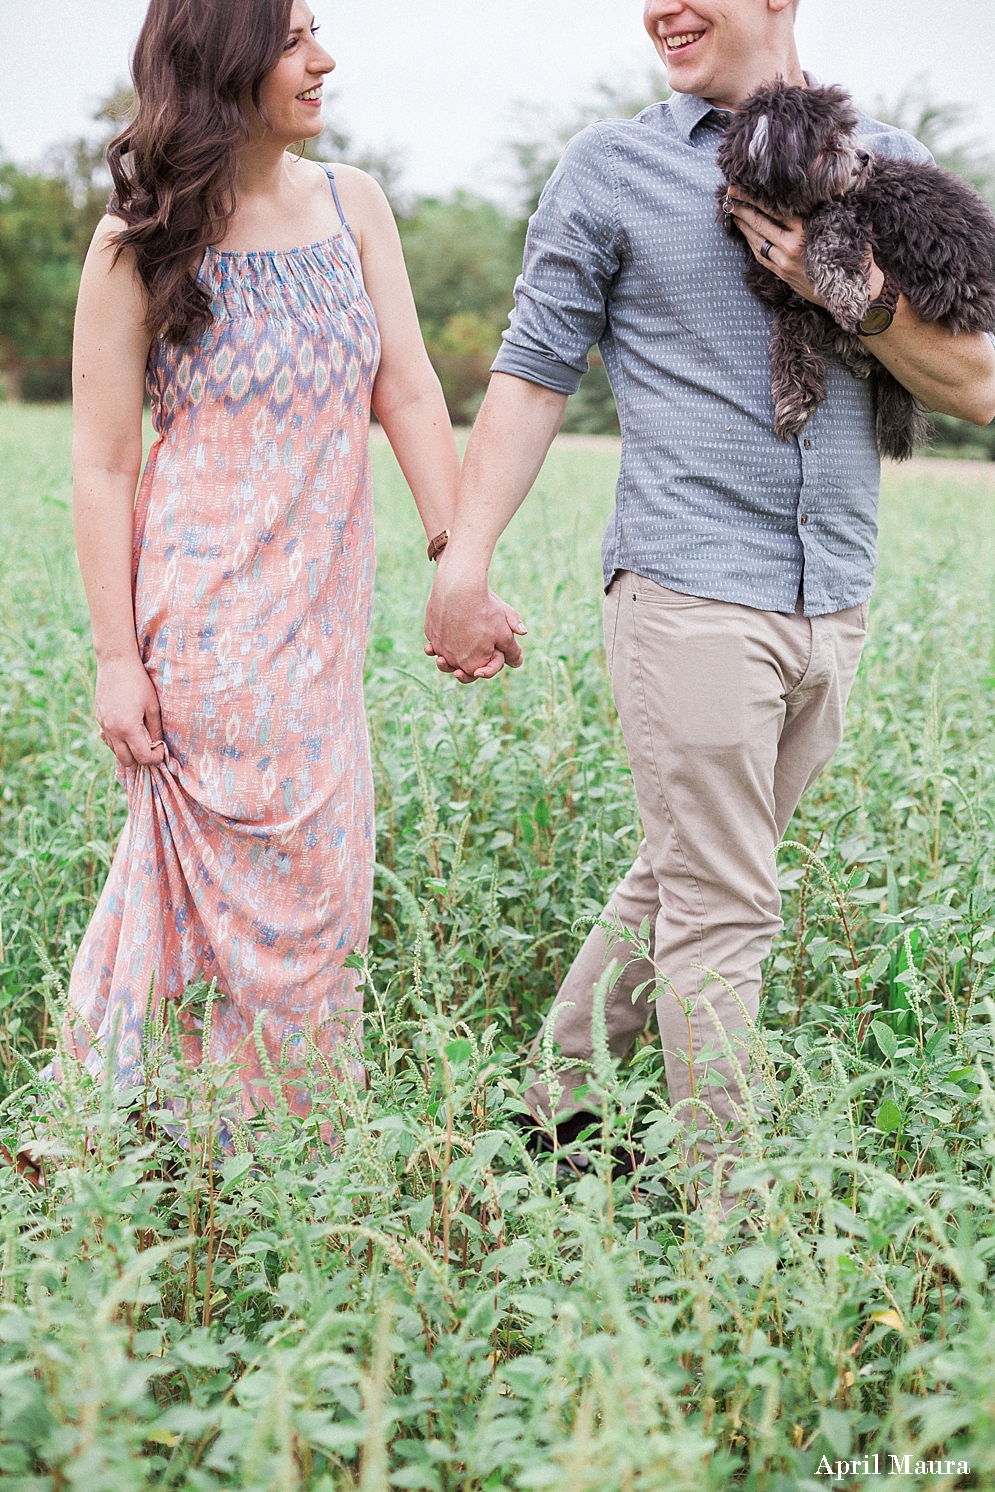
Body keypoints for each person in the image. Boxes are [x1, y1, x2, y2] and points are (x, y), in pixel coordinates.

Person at [425, 0, 995, 1182]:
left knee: (686, 874)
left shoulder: (895, 165)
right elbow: (531, 373)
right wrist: (463, 564)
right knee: (726, 905)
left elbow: (977, 382)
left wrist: (845, 289)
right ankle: (730, 1225)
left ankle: (548, 1119)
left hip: (831, 592)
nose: (660, 9)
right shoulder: (612, 168)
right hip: (686, 586)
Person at [68, 0, 491, 1112]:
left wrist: (458, 557)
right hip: (202, 635)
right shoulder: (137, 239)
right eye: (296, 38)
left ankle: (279, 1153)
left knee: (320, 897)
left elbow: (402, 387)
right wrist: (118, 661)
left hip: (320, 632)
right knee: (217, 906)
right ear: (227, 58)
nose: (324, 59)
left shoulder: (354, 207)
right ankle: (184, 1151)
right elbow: (105, 463)